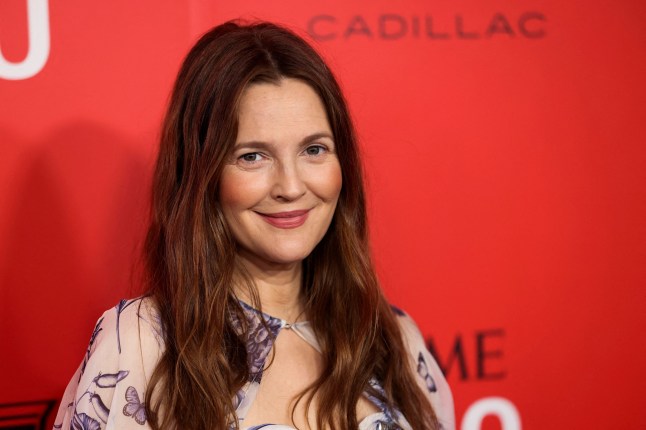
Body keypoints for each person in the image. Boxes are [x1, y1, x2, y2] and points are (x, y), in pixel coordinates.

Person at [53, 21, 454, 430]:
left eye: (314, 149)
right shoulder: (143, 343)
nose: (291, 187)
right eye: (252, 156)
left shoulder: (394, 339)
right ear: (202, 175)